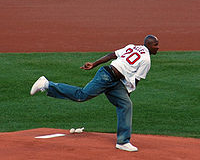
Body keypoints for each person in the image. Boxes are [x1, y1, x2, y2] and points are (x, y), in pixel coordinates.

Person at [30, 35, 159, 152]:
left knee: (126, 105)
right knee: (81, 95)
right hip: (106, 77)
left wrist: (95, 64)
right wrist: (128, 92)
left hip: (114, 80)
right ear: (148, 44)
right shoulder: (146, 60)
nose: (158, 48)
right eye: (155, 45)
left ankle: (123, 142)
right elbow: (135, 81)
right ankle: (47, 84)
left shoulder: (133, 47)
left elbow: (111, 55)